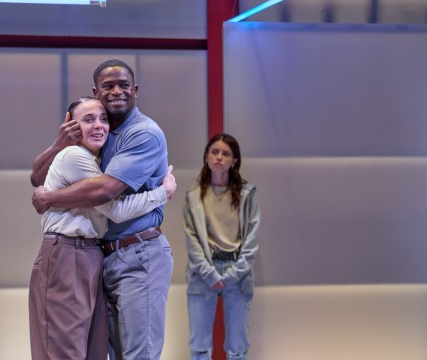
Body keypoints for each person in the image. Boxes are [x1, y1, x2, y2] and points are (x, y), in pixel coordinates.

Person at [31, 59, 174, 360]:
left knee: (137, 354)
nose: (117, 91)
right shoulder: (90, 141)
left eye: (124, 85)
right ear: (96, 92)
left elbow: (106, 194)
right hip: (100, 254)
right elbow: (37, 177)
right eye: (108, 86)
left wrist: (50, 198)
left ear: (135, 91)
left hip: (138, 253)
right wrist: (58, 144)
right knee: (95, 351)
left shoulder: (142, 133)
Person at [183, 133, 260, 360]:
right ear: (206, 157)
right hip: (202, 273)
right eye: (214, 152)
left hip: (238, 270)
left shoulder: (248, 195)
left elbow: (252, 241)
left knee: (237, 347)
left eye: (225, 153)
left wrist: (233, 274)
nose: (219, 157)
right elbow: (192, 240)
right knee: (199, 346)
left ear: (234, 160)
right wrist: (209, 273)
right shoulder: (193, 197)